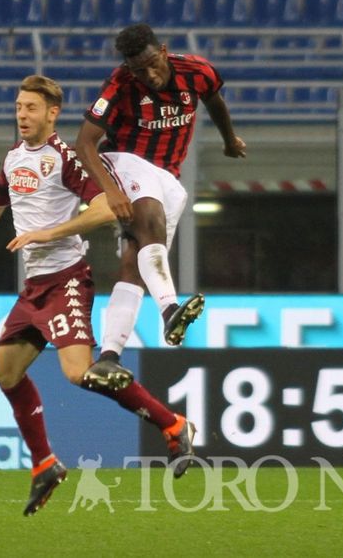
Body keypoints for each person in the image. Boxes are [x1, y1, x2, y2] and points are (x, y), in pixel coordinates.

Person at [0, 74, 197, 517]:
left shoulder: (66, 158)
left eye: (31, 108)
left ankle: (174, 425)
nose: (22, 114)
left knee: (81, 374)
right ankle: (45, 464)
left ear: (52, 114)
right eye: (19, 107)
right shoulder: (14, 159)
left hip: (66, 281)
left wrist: (50, 232)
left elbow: (104, 208)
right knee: (4, 372)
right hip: (34, 290)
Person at [76, 23, 246, 383]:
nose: (149, 74)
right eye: (140, 69)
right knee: (150, 220)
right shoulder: (120, 84)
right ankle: (170, 309)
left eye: (153, 63)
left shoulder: (198, 72)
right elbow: (85, 143)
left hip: (169, 175)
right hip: (125, 160)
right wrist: (110, 190)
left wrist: (229, 140)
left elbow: (214, 101)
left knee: (135, 266)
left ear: (164, 51)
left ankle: (108, 356)